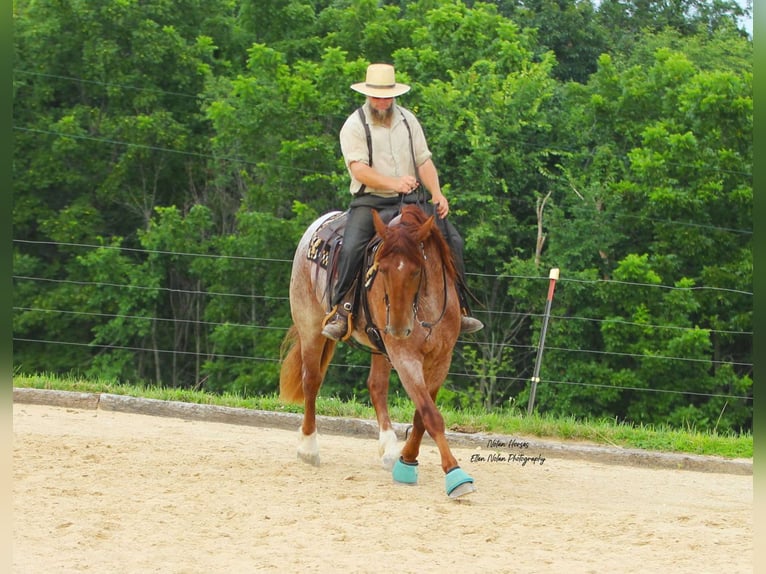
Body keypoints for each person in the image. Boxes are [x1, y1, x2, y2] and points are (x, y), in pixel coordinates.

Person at [322, 63, 484, 341]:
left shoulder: (409, 120)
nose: (382, 101)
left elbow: (423, 161)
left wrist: (437, 192)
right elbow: (359, 170)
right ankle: (343, 310)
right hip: (370, 201)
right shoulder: (354, 125)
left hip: (411, 200)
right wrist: (393, 183)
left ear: (394, 95)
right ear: (367, 95)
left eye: (387, 96)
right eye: (377, 96)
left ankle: (460, 306)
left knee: (452, 240)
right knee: (352, 247)